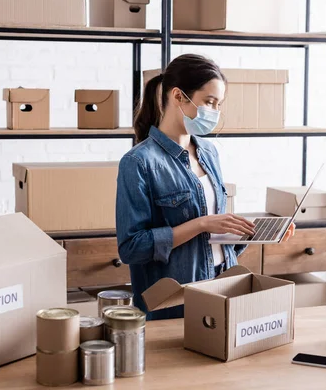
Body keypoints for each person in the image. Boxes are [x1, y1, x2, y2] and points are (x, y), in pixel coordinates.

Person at [115, 54, 295, 320]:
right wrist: (200, 224)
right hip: (174, 300)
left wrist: (249, 233)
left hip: (224, 285)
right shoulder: (138, 162)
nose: (214, 112)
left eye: (218, 104)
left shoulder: (208, 152)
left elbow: (215, 236)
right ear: (178, 96)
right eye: (209, 102)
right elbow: (132, 248)